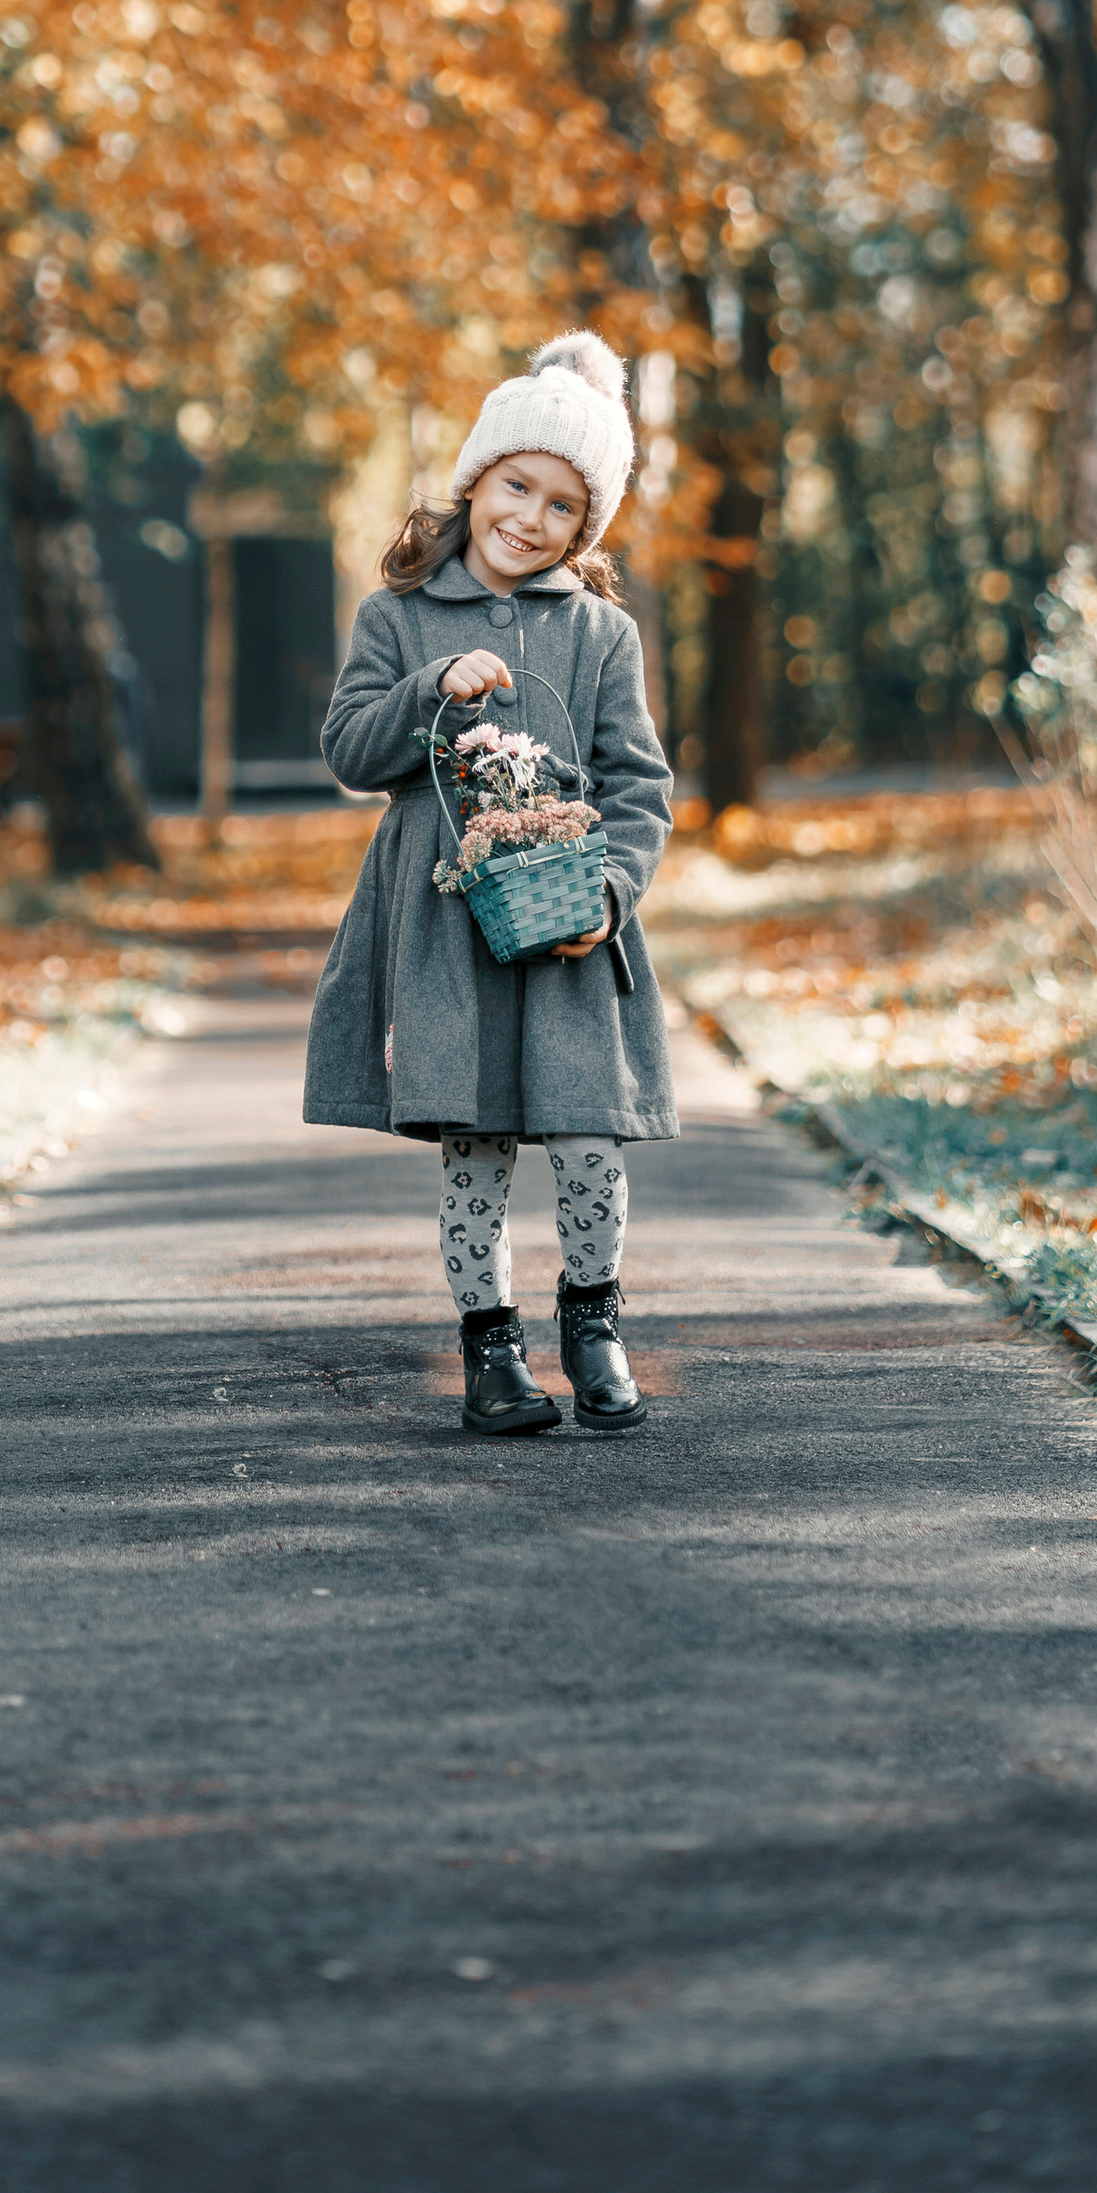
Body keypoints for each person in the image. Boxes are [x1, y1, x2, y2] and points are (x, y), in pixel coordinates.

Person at [302, 332, 676, 1436]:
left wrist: (609, 892)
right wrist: (430, 687)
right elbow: (351, 750)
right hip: (443, 932)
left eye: (564, 505)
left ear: (585, 526)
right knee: (475, 1145)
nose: (531, 517)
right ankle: (491, 1352)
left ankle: (593, 1325)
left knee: (588, 1137)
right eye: (516, 485)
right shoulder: (396, 617)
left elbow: (638, 785)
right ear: (475, 482)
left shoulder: (602, 634)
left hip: (566, 929)